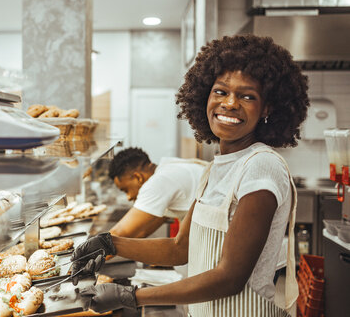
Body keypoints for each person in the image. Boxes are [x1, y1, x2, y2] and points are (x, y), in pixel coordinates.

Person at [70, 35, 309, 317]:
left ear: (268, 108)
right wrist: (110, 243)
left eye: (247, 96)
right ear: (204, 96)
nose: (230, 103)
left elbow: (230, 277)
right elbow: (180, 248)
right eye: (220, 91)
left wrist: (132, 296)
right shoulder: (215, 168)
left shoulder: (260, 166)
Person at [109, 147, 206, 238]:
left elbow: (119, 232)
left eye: (126, 190)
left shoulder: (158, 182)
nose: (129, 197)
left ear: (138, 177)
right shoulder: (169, 168)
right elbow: (142, 231)